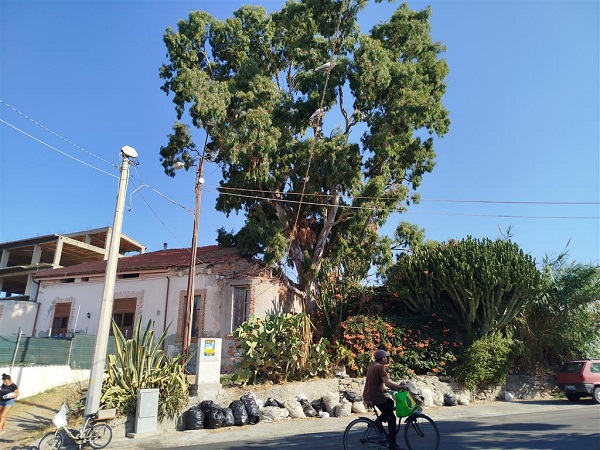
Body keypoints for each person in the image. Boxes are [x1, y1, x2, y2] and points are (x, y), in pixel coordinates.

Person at [362, 349, 405, 450]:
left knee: (390, 403)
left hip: (370, 395)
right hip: (376, 397)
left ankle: (378, 422)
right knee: (392, 418)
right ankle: (392, 445)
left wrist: (386, 390)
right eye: (386, 357)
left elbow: (378, 383)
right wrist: (399, 387)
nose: (387, 359)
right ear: (382, 358)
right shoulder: (380, 367)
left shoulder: (372, 366)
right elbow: (387, 382)